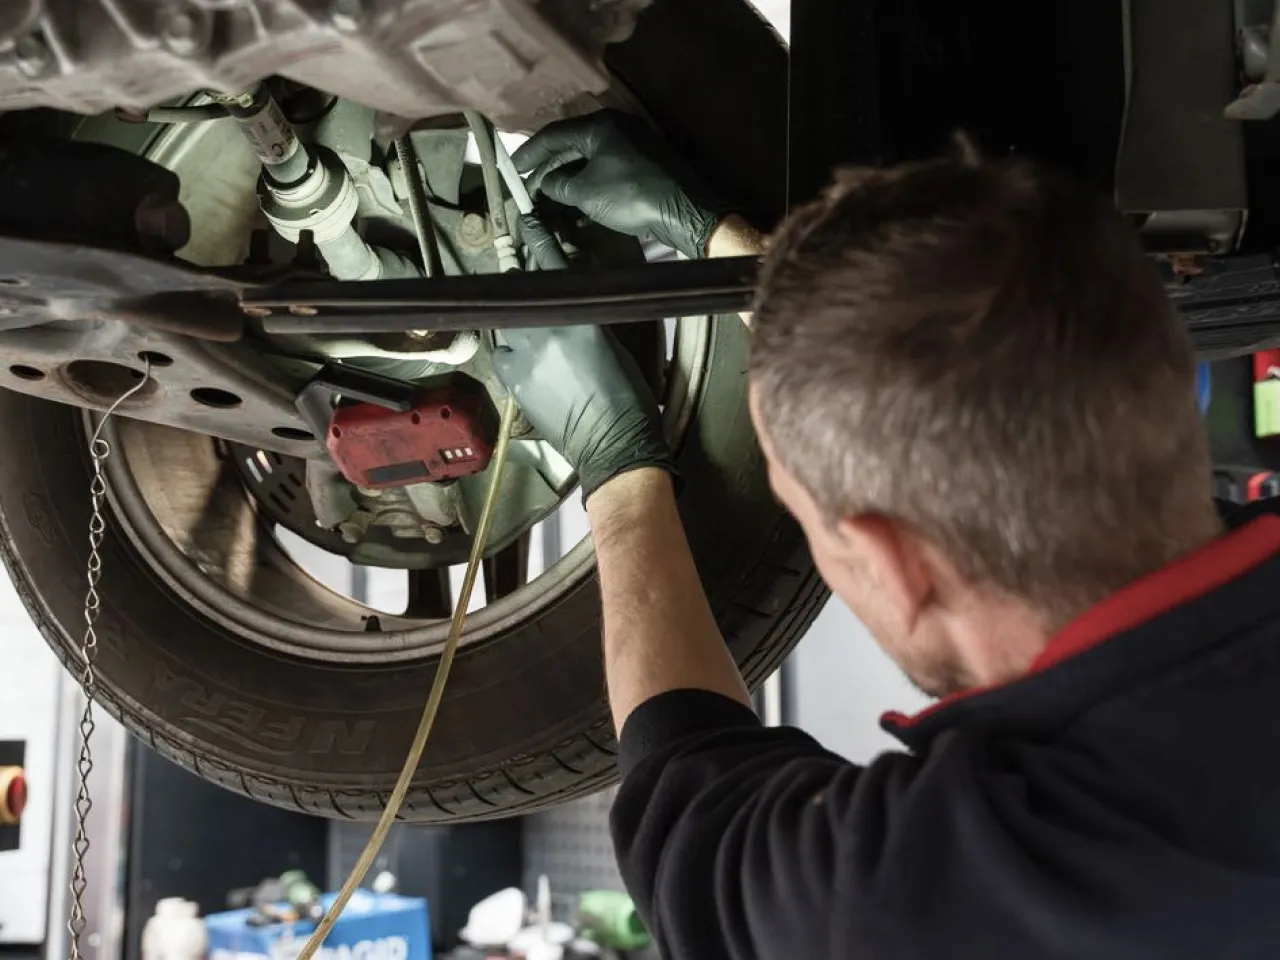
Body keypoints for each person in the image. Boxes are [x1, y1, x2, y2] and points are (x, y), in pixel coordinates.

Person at [494, 111, 1280, 959]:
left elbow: (695, 823)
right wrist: (717, 243)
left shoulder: (977, 888)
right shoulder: (991, 871)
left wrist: (614, 460)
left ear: (894, 564)